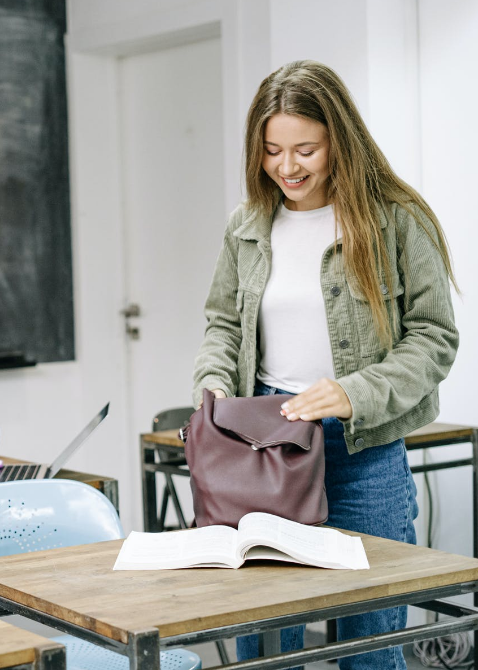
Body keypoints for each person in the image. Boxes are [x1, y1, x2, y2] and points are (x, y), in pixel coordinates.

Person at [193, 60, 458, 670]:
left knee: (372, 641)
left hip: (363, 451)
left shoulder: (395, 218)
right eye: (271, 151)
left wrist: (354, 392)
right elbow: (223, 324)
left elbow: (434, 337)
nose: (287, 167)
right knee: (266, 644)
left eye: (306, 149)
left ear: (339, 139)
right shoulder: (248, 227)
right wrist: (212, 380)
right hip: (265, 448)